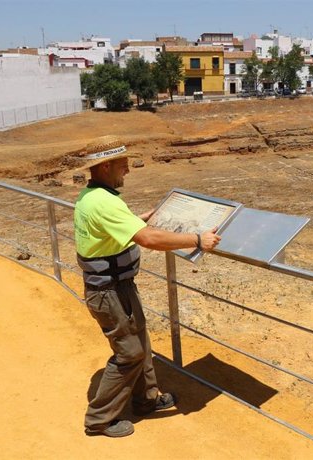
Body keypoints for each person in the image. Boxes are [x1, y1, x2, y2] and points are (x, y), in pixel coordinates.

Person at [72, 136, 221, 438]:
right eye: (123, 165)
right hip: (109, 292)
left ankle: (146, 400)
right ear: (106, 166)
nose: (127, 170)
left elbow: (117, 227)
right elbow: (149, 240)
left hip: (118, 287)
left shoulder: (94, 195)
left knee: (142, 342)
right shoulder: (103, 201)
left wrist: (143, 218)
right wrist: (197, 240)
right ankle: (99, 420)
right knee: (129, 354)